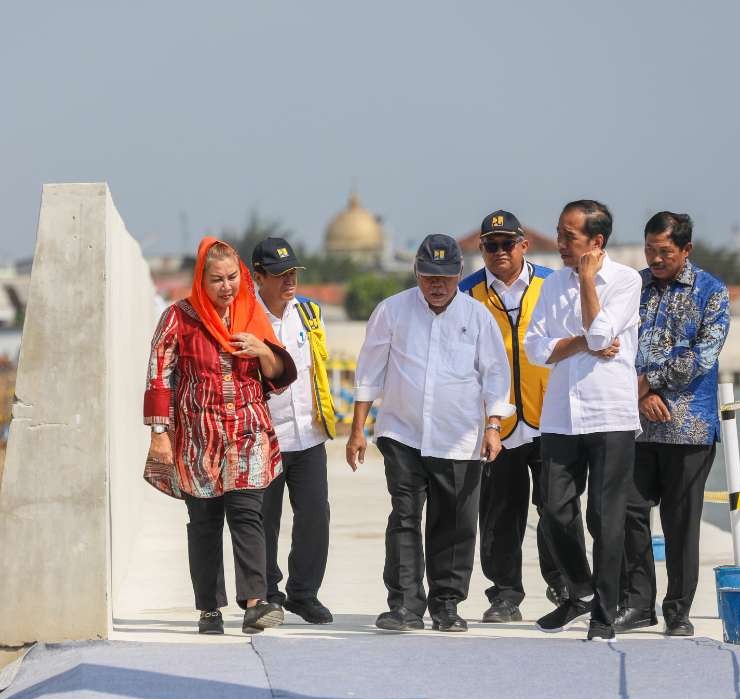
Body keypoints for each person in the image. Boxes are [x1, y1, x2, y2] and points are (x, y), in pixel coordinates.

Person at [347, 234, 514, 632]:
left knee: (454, 523)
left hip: (460, 438)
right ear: (416, 273)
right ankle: (404, 605)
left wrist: (493, 427)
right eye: (428, 277)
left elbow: (495, 377)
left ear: (459, 274)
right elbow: (369, 372)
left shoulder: (477, 318)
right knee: (404, 517)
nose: (436, 286)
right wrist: (357, 430)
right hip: (402, 433)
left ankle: (446, 604)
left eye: (445, 278)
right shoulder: (392, 311)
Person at [143, 237, 297, 635]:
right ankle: (209, 608)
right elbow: (159, 374)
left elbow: (280, 374)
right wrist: (160, 433)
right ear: (201, 279)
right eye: (216, 280)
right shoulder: (180, 318)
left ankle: (255, 603)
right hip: (198, 437)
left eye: (232, 277)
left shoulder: (251, 313)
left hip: (247, 430)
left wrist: (261, 350)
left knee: (248, 514)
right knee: (205, 522)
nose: (226, 287)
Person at [523, 200, 642, 643]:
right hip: (560, 415)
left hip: (609, 413)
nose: (559, 244)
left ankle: (604, 614)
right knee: (553, 510)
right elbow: (535, 347)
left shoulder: (626, 281)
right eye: (557, 233)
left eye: (568, 236)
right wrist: (577, 343)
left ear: (597, 242)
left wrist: (589, 280)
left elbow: (602, 335)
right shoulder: (552, 283)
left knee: (604, 518)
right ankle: (580, 590)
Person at [618, 212, 730, 637]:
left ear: (686, 250)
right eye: (650, 249)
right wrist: (641, 393)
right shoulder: (634, 288)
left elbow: (704, 354)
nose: (656, 258)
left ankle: (678, 609)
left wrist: (653, 382)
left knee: (681, 522)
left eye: (665, 251)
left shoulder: (712, 292)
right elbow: (619, 345)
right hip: (636, 425)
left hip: (689, 428)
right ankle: (637, 603)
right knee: (629, 511)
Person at [459, 210, 569, 622]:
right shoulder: (467, 293)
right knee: (499, 514)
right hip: (496, 423)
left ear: (524, 245)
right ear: (481, 249)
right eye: (491, 245)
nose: (500, 251)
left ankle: (562, 582)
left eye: (508, 243)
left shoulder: (551, 285)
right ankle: (504, 594)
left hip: (549, 416)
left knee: (557, 507)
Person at [251, 237, 336, 624]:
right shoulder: (245, 318)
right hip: (265, 435)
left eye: (293, 273)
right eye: (280, 274)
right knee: (264, 521)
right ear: (258, 276)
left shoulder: (309, 313)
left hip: (308, 433)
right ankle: (268, 593)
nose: (289, 280)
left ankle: (304, 592)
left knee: (315, 515)